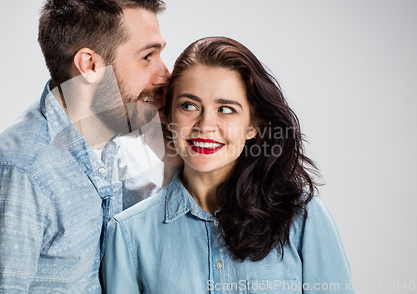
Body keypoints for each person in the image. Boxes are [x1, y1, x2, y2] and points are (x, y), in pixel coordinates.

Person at [0, 0, 169, 293]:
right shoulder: (16, 176)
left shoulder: (108, 150)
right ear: (90, 66)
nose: (166, 73)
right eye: (147, 56)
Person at [102, 37, 354, 293]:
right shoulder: (127, 234)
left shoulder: (303, 219)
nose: (205, 126)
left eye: (225, 109)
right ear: (167, 115)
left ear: (253, 125)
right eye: (189, 106)